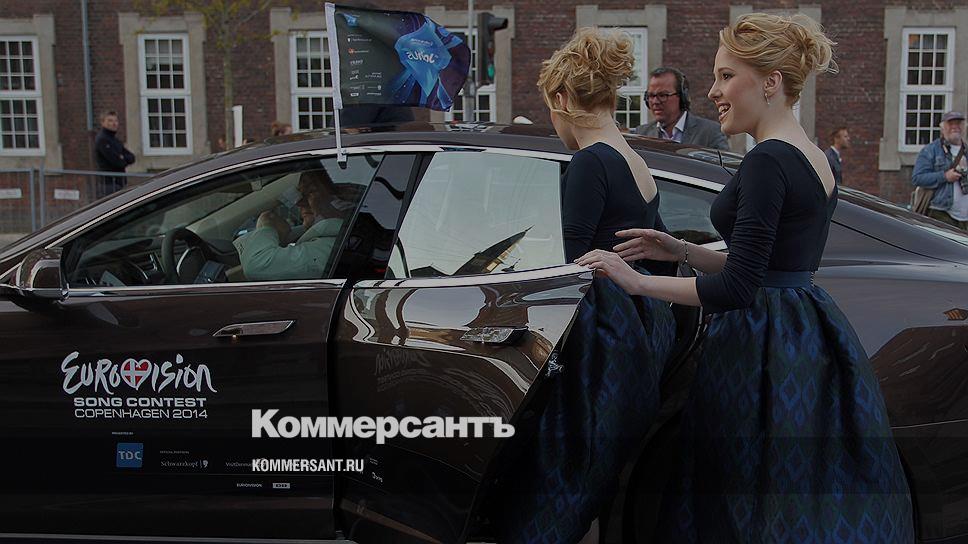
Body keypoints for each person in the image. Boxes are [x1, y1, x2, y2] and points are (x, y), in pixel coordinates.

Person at [577, 13, 914, 542]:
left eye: (726, 76)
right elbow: (770, 266)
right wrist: (681, 249)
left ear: (771, 82)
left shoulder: (768, 161)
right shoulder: (814, 156)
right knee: (790, 495)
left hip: (760, 349)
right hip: (806, 334)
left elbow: (737, 288)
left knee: (741, 500)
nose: (713, 91)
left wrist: (635, 281)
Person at [493, 28, 675, 544]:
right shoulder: (633, 158)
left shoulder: (592, 160)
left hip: (598, 333)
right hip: (636, 326)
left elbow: (572, 264)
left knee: (567, 463)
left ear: (561, 99)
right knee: (599, 463)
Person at [233, 169, 345, 281]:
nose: (299, 203)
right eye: (299, 195)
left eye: (310, 192)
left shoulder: (330, 245)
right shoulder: (330, 232)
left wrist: (267, 225)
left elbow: (256, 266)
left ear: (341, 198)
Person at [634, 67, 729, 150]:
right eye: (651, 96)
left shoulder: (711, 133)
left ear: (682, 97)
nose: (655, 101)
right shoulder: (641, 133)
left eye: (663, 95)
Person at [912, 111, 968, 230]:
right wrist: (945, 176)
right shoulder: (931, 150)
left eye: (958, 123)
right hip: (940, 213)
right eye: (950, 123)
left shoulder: (966, 150)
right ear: (942, 128)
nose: (955, 127)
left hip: (965, 219)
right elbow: (917, 178)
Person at [93, 111, 136, 198]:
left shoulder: (115, 140)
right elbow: (117, 162)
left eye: (115, 121)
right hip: (109, 184)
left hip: (119, 182)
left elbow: (132, 157)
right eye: (110, 121)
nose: (114, 123)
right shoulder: (102, 140)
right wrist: (122, 158)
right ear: (102, 122)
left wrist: (122, 157)